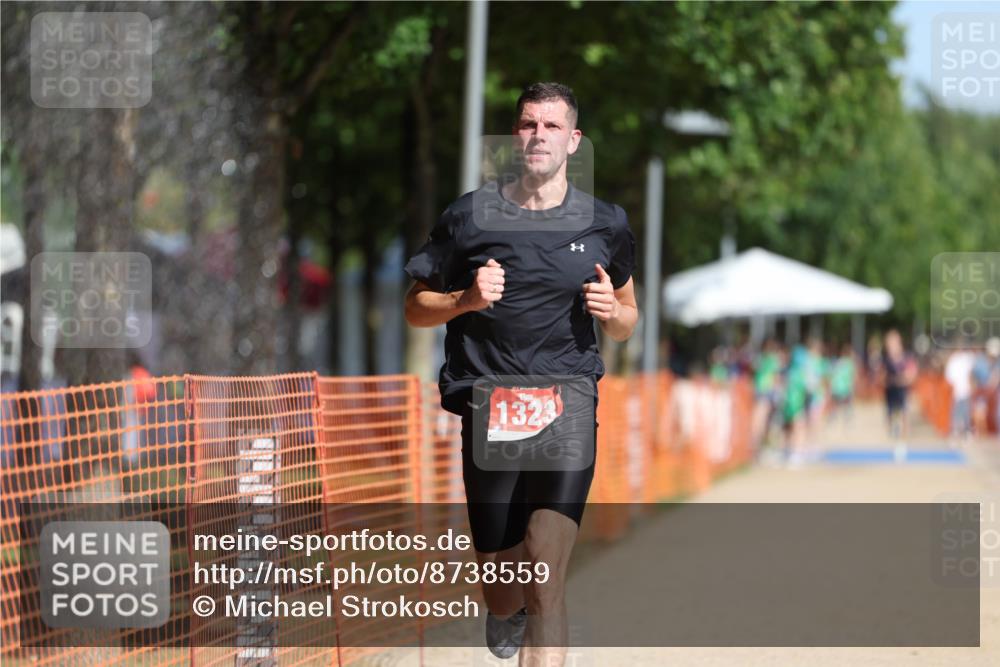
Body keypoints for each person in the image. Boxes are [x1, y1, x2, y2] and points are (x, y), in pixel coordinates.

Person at [403, 82, 638, 665]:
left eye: (552, 126)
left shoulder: (606, 225)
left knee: (545, 571)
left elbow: (630, 316)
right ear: (516, 136)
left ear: (574, 141)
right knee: (505, 589)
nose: (539, 136)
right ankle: (503, 612)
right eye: (529, 124)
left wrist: (615, 315)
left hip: (568, 401)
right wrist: (462, 300)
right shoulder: (470, 215)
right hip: (491, 405)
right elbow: (413, 306)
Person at [881, 329, 917, 459]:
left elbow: (911, 376)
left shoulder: (907, 357)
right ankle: (895, 435)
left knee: (904, 417)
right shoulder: (885, 360)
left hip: (903, 392)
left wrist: (899, 379)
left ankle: (902, 446)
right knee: (889, 420)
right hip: (890, 393)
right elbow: (882, 378)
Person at [945, 345, 976, 446]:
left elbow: (970, 374)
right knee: (957, 413)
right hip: (957, 392)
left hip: (964, 391)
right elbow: (949, 378)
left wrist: (971, 385)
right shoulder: (954, 360)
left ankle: (965, 433)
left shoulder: (965, 359)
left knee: (964, 413)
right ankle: (957, 433)